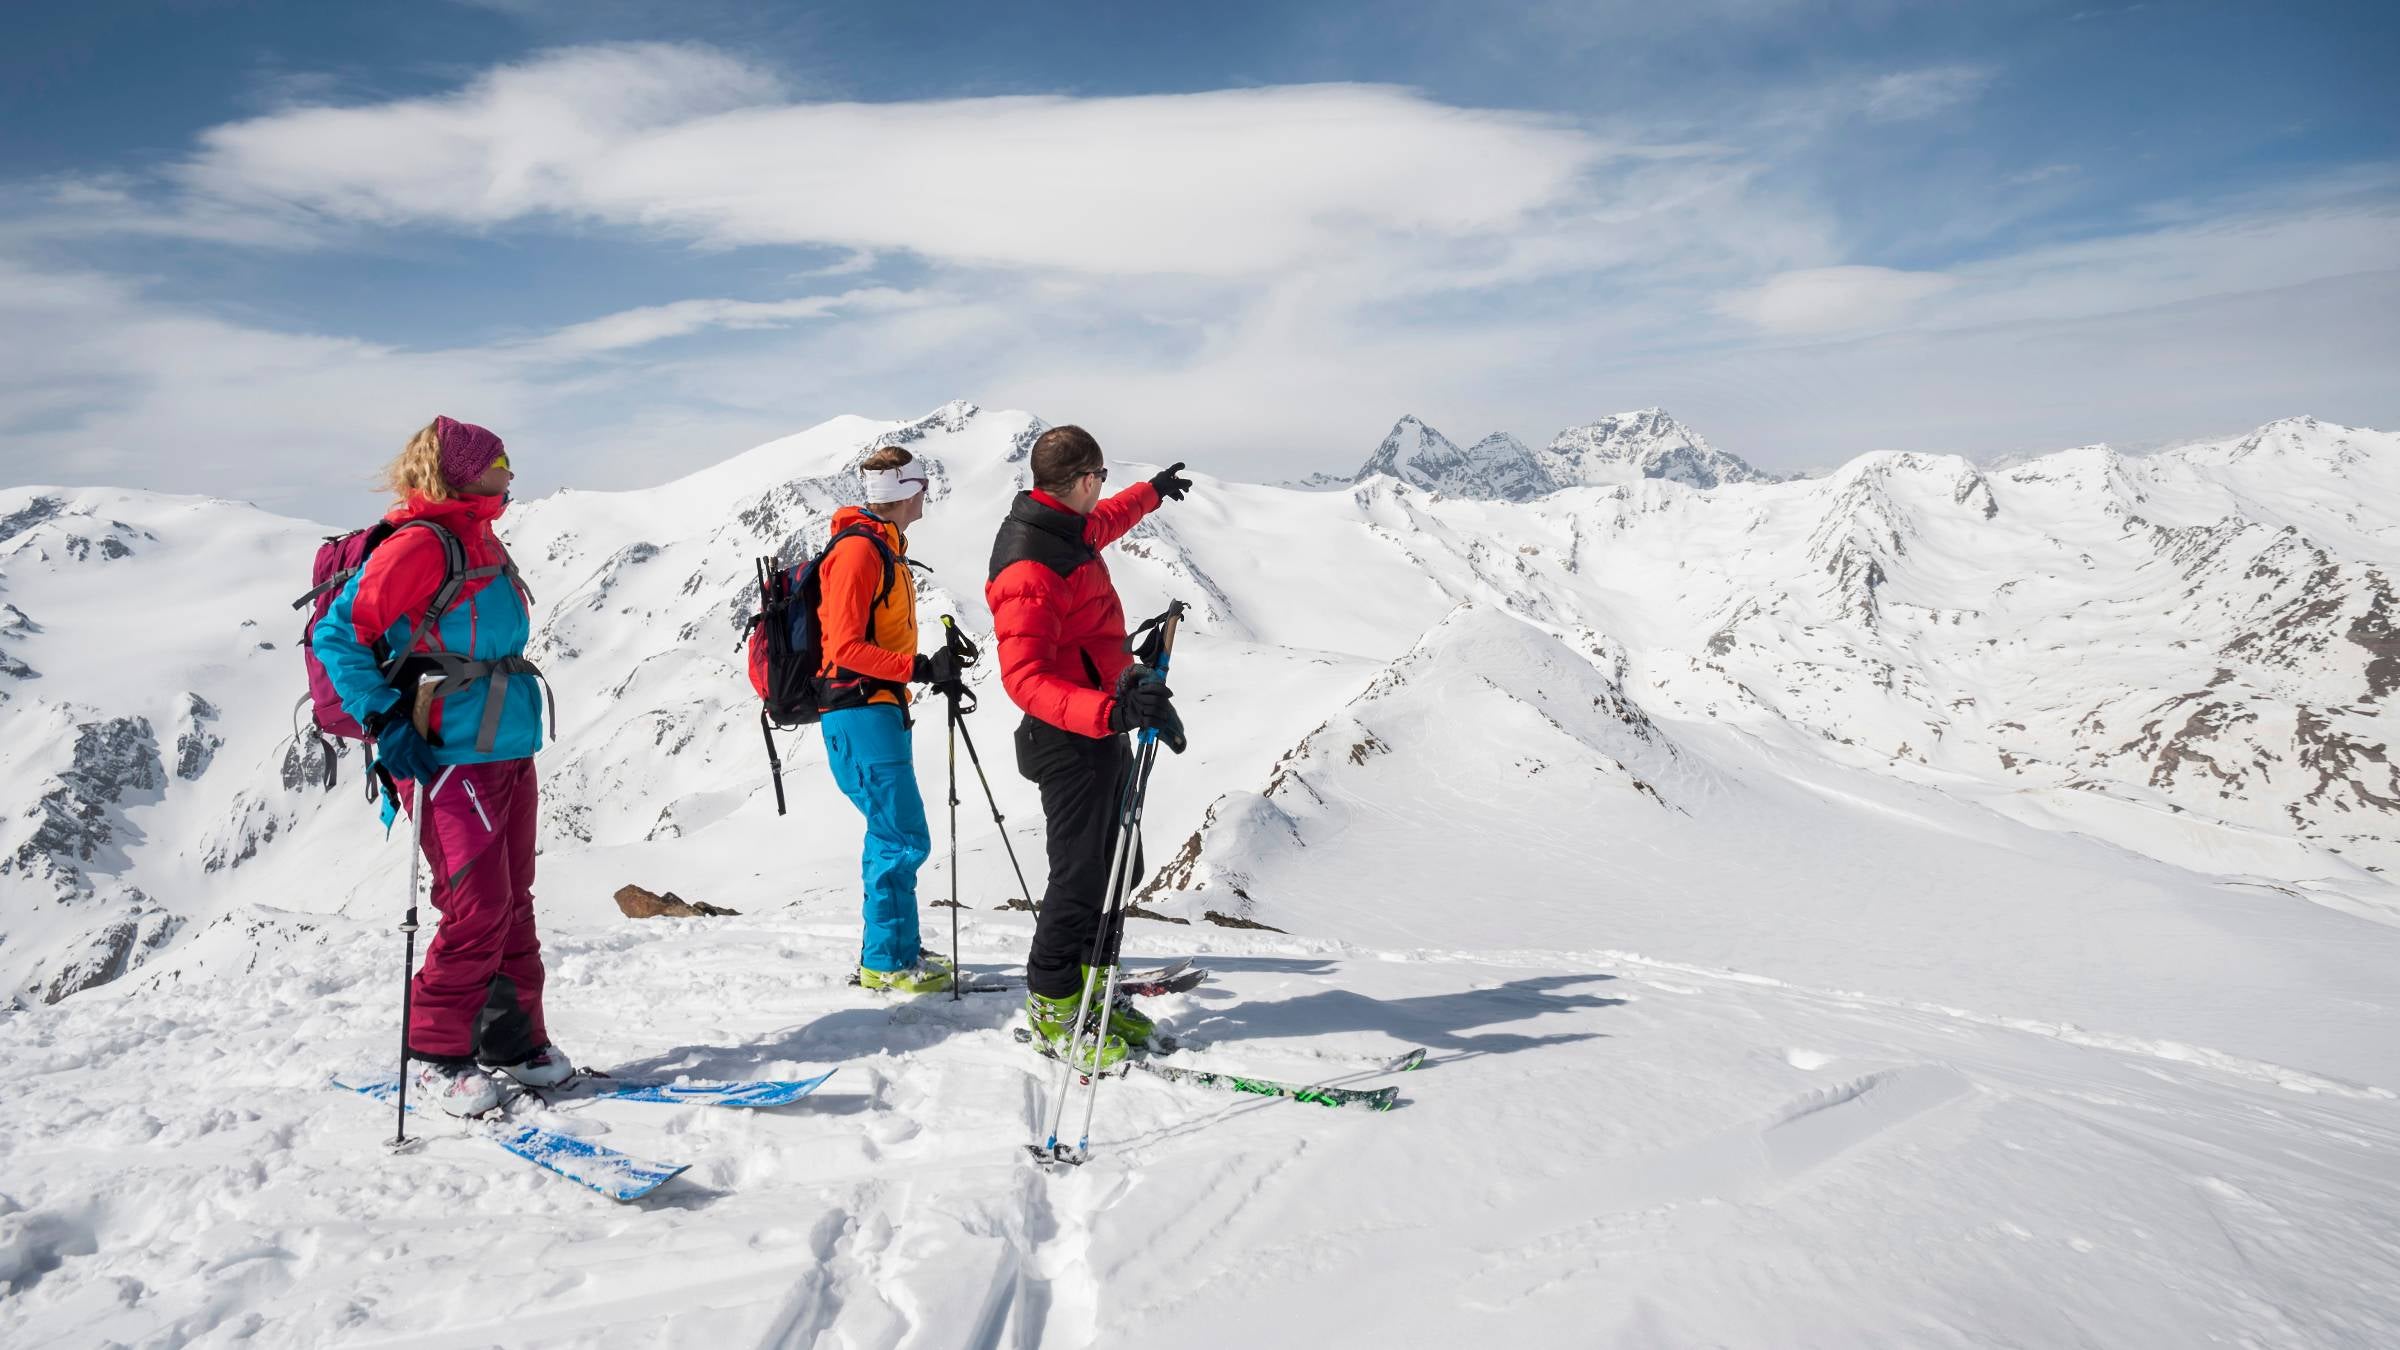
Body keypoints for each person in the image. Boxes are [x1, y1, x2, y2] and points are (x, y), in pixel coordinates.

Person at [313, 416, 567, 1116]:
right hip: (447, 754)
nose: (511, 471)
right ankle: (434, 1054)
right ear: (461, 472)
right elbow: (339, 631)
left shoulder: (477, 535)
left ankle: (513, 1042)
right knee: (476, 905)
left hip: (507, 747)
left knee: (513, 902)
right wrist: (384, 716)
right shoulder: (423, 544)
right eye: (498, 461)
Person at [986, 426, 1193, 1067]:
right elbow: (1025, 679)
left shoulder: (1064, 528)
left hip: (1100, 724)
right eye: (1100, 477)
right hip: (1068, 736)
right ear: (1082, 479)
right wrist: (1110, 710)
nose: (1102, 490)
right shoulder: (1031, 564)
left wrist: (1151, 494)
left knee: (1115, 868)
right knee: (1077, 879)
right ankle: (1053, 1007)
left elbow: (1103, 522)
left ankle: (1096, 992)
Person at [817, 446, 968, 994]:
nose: (927, 493)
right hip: (860, 712)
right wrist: (920, 667)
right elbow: (845, 647)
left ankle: (897, 948)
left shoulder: (885, 548)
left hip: (876, 711)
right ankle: (885, 962)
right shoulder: (860, 553)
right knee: (899, 835)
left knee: (897, 833)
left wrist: (923, 669)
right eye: (923, 484)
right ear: (906, 490)